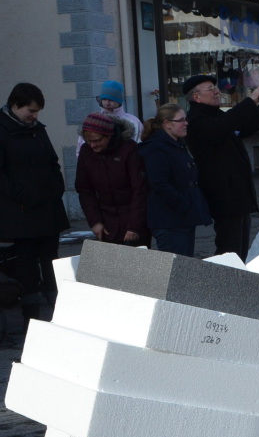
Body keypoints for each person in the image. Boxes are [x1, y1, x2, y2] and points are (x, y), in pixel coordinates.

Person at [0, 83, 70, 323]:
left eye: (37, 111)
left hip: (47, 205)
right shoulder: (3, 130)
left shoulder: (37, 129)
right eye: (31, 111)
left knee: (51, 256)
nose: (35, 116)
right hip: (21, 210)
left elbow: (52, 160)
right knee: (26, 261)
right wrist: (22, 195)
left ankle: (58, 306)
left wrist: (57, 185)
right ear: (15, 106)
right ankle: (31, 316)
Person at [183, 74, 259, 260]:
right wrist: (250, 100)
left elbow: (242, 128)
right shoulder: (196, 120)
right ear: (196, 97)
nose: (216, 91)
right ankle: (224, 283)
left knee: (240, 247)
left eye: (215, 88)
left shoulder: (216, 115)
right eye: (210, 89)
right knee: (228, 248)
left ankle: (237, 280)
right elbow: (223, 126)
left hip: (238, 192)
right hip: (223, 194)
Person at [139, 104, 211, 257]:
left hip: (183, 218)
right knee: (176, 269)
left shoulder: (177, 144)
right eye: (181, 120)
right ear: (167, 124)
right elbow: (159, 184)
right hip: (169, 220)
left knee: (184, 267)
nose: (186, 123)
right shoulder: (157, 148)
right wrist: (183, 204)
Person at [75, 112, 150, 247]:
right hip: (106, 221)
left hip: (132, 217)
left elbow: (140, 189)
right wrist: (95, 221)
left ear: (109, 136)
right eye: (88, 140)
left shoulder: (129, 148)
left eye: (97, 140)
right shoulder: (86, 152)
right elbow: (84, 189)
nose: (92, 145)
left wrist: (134, 226)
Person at [76, 80, 142, 152]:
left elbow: (138, 147)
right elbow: (81, 147)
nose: (107, 103)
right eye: (104, 99)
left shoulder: (133, 122)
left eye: (111, 100)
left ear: (119, 101)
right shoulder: (93, 121)